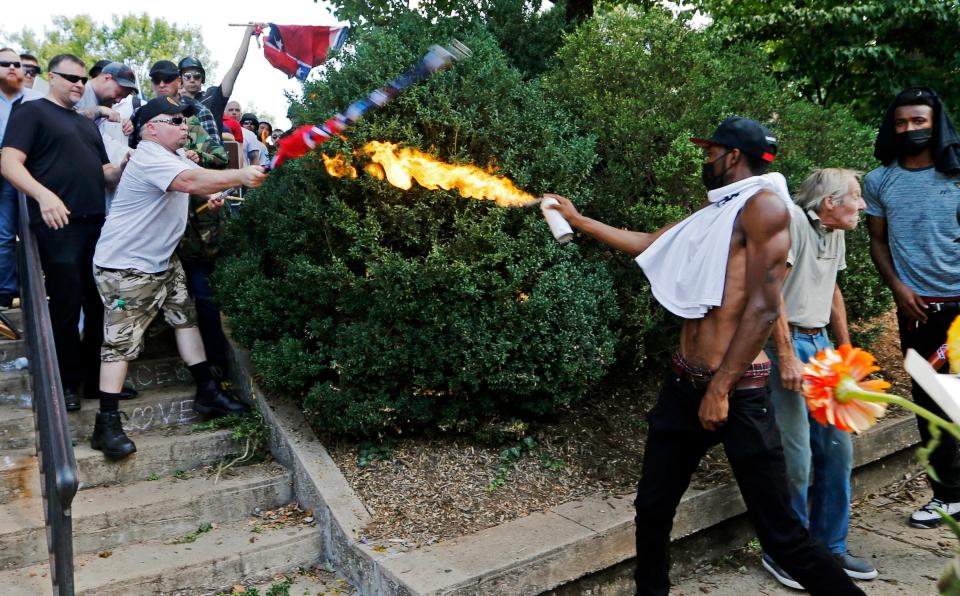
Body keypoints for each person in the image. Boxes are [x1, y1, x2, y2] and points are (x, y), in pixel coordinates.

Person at [546, 117, 864, 596]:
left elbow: (762, 307)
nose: (704, 161)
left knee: (782, 533)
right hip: (682, 384)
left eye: (709, 152)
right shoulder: (719, 211)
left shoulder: (765, 209)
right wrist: (579, 220)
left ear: (732, 155)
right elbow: (652, 243)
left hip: (738, 394)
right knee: (652, 510)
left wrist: (719, 389)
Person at [91, 96, 266, 459]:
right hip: (127, 268)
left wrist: (210, 195)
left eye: (185, 120)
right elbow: (187, 181)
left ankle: (208, 391)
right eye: (174, 120)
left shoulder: (171, 158)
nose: (184, 125)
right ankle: (105, 424)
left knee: (186, 321)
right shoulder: (149, 155)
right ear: (150, 128)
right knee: (120, 342)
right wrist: (239, 175)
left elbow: (183, 190)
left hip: (163, 263)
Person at [760, 168, 877, 588]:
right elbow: (771, 290)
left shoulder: (836, 230)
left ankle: (830, 547)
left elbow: (832, 289)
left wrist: (846, 352)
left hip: (821, 344)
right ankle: (785, 552)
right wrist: (787, 354)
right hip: (785, 344)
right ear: (830, 202)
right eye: (856, 197)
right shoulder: (792, 221)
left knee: (838, 450)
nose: (862, 205)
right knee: (797, 457)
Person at [1, 54, 125, 411]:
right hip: (59, 224)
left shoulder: (86, 124)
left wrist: (123, 167)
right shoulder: (32, 111)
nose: (78, 84)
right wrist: (42, 195)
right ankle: (66, 384)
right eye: (70, 77)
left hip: (96, 225)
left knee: (99, 304)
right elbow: (8, 162)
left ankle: (92, 383)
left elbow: (105, 173)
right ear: (51, 78)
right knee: (67, 305)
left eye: (83, 79)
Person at [865, 87, 960, 529]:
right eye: (902, 122)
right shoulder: (879, 181)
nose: (911, 130)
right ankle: (947, 497)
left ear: (935, 122)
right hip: (917, 311)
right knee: (932, 401)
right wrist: (898, 288)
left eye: (919, 121)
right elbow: (878, 242)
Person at [0, 48, 42, 311]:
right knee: (4, 236)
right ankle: (5, 292)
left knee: (37, 233)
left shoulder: (37, 101)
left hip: (35, 173)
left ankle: (39, 292)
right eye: (5, 63)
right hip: (4, 177)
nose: (13, 68)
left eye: (17, 64)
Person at [179, 24, 258, 133]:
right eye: (187, 76)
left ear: (202, 79)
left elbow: (236, 67)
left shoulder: (213, 95)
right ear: (180, 80)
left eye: (197, 76)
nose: (192, 79)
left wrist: (248, 33)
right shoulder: (173, 104)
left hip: (213, 149)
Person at [74, 61, 137, 137]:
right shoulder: (78, 90)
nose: (118, 101)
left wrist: (122, 125)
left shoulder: (102, 100)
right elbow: (60, 118)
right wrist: (99, 110)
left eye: (123, 98)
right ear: (107, 78)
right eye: (118, 94)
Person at [226, 102, 261, 166]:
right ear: (225, 112)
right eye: (231, 110)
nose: (234, 112)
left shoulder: (250, 135)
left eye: (237, 110)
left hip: (242, 174)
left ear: (240, 114)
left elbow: (255, 161)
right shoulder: (216, 130)